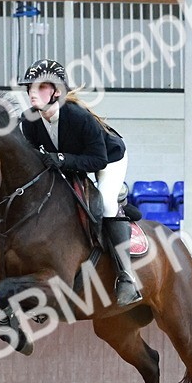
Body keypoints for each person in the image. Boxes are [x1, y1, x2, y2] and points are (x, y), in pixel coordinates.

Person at [16, 59, 140, 306]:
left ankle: (126, 277)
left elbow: (97, 160)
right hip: (71, 162)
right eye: (29, 87)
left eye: (40, 87)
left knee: (104, 204)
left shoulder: (78, 117)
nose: (31, 92)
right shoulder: (29, 121)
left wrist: (60, 159)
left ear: (57, 92)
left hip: (108, 159)